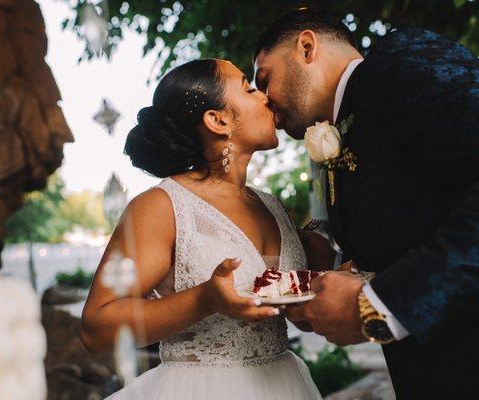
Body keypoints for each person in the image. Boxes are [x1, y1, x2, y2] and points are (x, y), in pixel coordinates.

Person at [253, 8, 479, 399]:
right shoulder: (346, 130)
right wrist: (335, 268)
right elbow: (414, 234)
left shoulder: (402, 62)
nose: (266, 107)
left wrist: (377, 307)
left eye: (264, 79)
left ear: (306, 47)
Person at [80, 58, 322, 400]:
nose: (265, 97)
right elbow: (96, 328)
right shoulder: (161, 206)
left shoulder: (271, 206)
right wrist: (204, 300)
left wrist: (324, 284)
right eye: (248, 88)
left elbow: (296, 318)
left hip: (284, 385)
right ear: (217, 120)